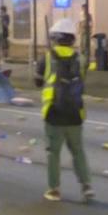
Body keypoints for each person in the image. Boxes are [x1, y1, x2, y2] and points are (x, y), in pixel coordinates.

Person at [35, 18, 93, 203]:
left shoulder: (46, 57)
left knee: (53, 153)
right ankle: (86, 187)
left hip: (54, 112)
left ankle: (54, 190)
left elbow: (38, 82)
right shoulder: (81, 59)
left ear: (55, 37)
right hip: (76, 112)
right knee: (78, 151)